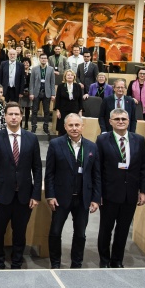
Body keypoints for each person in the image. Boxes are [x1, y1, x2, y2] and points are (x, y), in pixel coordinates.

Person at [0, 102, 42, 269]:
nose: (14, 117)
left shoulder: (31, 138)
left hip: (24, 196)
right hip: (1, 196)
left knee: (20, 232)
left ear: (22, 116)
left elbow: (37, 168)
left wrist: (36, 194)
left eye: (17, 114)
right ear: (5, 116)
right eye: (10, 114)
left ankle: (17, 261)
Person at [44, 114, 101, 269]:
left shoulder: (92, 146)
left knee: (80, 234)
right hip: (60, 198)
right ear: (65, 127)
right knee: (55, 232)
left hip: (83, 198)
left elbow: (96, 175)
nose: (74, 128)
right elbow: (49, 173)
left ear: (83, 126)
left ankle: (77, 264)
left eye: (77, 125)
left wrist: (96, 198)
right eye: (71, 125)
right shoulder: (56, 144)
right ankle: (55, 263)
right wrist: (50, 195)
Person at [95, 108, 145, 268]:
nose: (121, 121)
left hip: (130, 194)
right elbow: (97, 168)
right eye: (117, 119)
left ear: (129, 121)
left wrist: (144, 191)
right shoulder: (102, 140)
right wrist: (98, 194)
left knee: (123, 230)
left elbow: (144, 167)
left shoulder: (139, 140)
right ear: (110, 122)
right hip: (109, 194)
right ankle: (104, 260)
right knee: (106, 229)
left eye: (124, 119)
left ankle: (117, 260)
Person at [28, 53, 56, 135]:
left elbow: (52, 83)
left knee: (46, 111)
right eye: (42, 58)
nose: (43, 59)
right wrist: (31, 93)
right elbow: (31, 82)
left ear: (47, 59)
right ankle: (34, 127)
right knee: (34, 110)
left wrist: (53, 94)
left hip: (47, 92)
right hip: (36, 92)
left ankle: (46, 127)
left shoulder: (51, 69)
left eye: (45, 58)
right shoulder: (34, 69)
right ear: (39, 59)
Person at [54, 70, 84, 136]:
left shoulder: (78, 86)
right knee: (62, 128)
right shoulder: (61, 86)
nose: (70, 76)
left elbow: (80, 100)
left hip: (75, 109)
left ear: (74, 77)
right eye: (68, 75)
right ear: (65, 77)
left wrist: (80, 110)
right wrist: (58, 110)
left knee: (73, 125)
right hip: (63, 109)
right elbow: (58, 99)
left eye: (71, 75)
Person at [20, 58, 32, 129]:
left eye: (27, 63)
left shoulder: (32, 72)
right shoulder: (20, 72)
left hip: (29, 93)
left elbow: (32, 83)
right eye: (24, 63)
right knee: (21, 109)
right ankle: (20, 123)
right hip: (21, 93)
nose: (26, 64)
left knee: (27, 109)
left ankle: (26, 123)